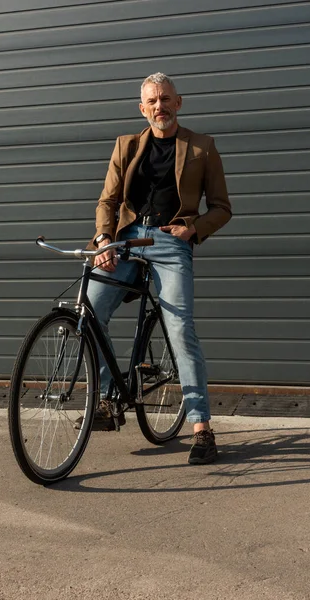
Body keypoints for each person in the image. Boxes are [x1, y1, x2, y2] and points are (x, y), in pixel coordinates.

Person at [80, 72, 232, 464]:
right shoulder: (126, 145)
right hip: (125, 239)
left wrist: (192, 229)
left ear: (178, 103)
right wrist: (102, 240)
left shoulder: (202, 147)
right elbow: (107, 202)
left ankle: (201, 427)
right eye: (152, 101)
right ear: (142, 108)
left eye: (166, 99)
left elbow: (221, 208)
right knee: (90, 312)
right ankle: (110, 396)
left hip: (169, 243)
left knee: (181, 328)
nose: (160, 106)